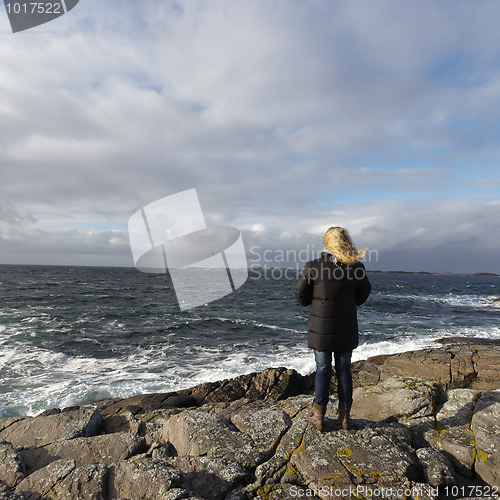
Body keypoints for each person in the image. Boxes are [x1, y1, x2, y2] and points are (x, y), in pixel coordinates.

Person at [295, 226, 371, 431]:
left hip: (321, 329)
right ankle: (345, 418)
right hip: (346, 327)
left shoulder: (313, 267)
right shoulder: (356, 268)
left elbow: (301, 296)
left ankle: (318, 416)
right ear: (347, 241)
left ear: (327, 243)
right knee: (344, 370)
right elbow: (363, 295)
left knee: (323, 370)